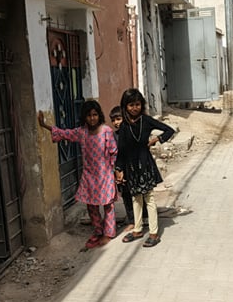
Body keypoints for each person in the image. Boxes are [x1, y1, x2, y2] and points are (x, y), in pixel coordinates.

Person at [38, 101, 117, 249]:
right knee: (91, 206)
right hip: (89, 176)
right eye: (89, 115)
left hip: (105, 174)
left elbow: (113, 152)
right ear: (84, 117)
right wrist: (44, 125)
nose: (92, 118)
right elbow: (64, 133)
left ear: (99, 115)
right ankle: (98, 230)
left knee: (108, 205)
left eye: (94, 115)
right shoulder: (82, 132)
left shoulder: (106, 131)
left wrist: (116, 172)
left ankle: (109, 232)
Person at [115, 89, 175, 248]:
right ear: (125, 106)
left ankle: (154, 233)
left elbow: (169, 130)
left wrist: (156, 139)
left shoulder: (146, 120)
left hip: (145, 165)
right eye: (131, 105)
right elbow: (121, 149)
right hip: (130, 167)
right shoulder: (123, 126)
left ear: (141, 105)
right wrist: (119, 169)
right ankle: (137, 229)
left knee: (149, 198)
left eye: (137, 104)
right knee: (136, 198)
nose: (134, 108)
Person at [109, 105, 147, 232]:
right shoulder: (114, 136)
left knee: (140, 192)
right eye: (113, 120)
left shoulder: (132, 131)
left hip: (134, 168)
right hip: (121, 170)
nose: (116, 123)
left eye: (118, 119)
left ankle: (144, 216)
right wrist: (117, 171)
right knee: (126, 195)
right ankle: (132, 220)